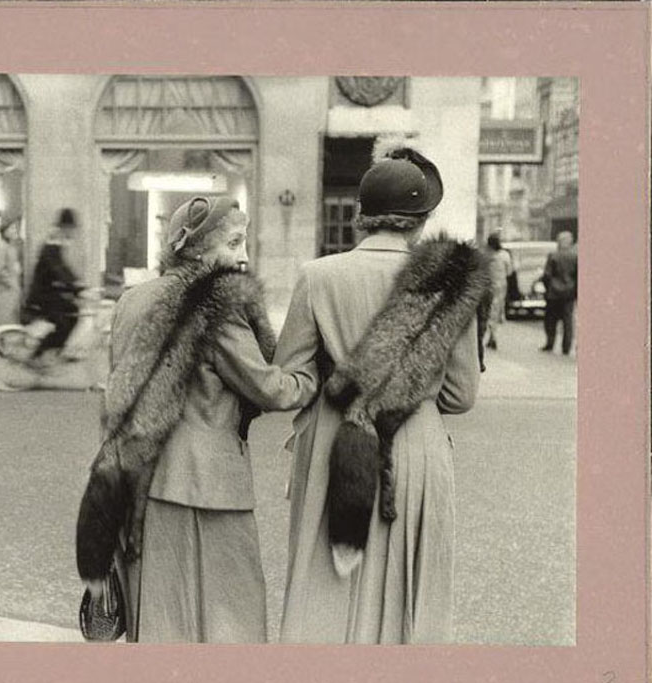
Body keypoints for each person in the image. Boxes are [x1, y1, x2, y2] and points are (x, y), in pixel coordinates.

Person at [76, 196, 318, 643]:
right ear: (199, 249)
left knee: (163, 614)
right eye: (233, 242)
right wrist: (310, 373)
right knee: (231, 615)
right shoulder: (216, 303)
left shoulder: (131, 300)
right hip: (209, 485)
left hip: (141, 484)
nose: (244, 255)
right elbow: (271, 387)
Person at [273, 147, 489, 644]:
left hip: (334, 440)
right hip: (413, 444)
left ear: (361, 216)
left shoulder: (317, 276)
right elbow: (460, 395)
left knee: (326, 585)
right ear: (420, 222)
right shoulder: (451, 281)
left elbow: (291, 374)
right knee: (408, 590)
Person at [24, 208, 83, 361]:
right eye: (71, 228)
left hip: (50, 293)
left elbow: (63, 267)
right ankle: (39, 352)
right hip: (42, 295)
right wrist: (73, 285)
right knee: (63, 322)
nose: (72, 232)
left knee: (73, 312)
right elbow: (56, 268)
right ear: (64, 227)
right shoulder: (52, 243)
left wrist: (77, 283)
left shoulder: (57, 241)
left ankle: (55, 349)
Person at [539, 231, 578, 355]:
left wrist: (548, 287)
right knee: (568, 320)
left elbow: (546, 275)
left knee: (551, 319)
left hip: (553, 293)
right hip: (569, 292)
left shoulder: (553, 255)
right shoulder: (575, 256)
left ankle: (550, 343)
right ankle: (566, 347)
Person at [484, 232, 515, 350]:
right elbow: (510, 272)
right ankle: (493, 334)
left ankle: (492, 336)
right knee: (496, 310)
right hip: (501, 286)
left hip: (488, 286)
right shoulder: (505, 255)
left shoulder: (486, 255)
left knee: (489, 310)